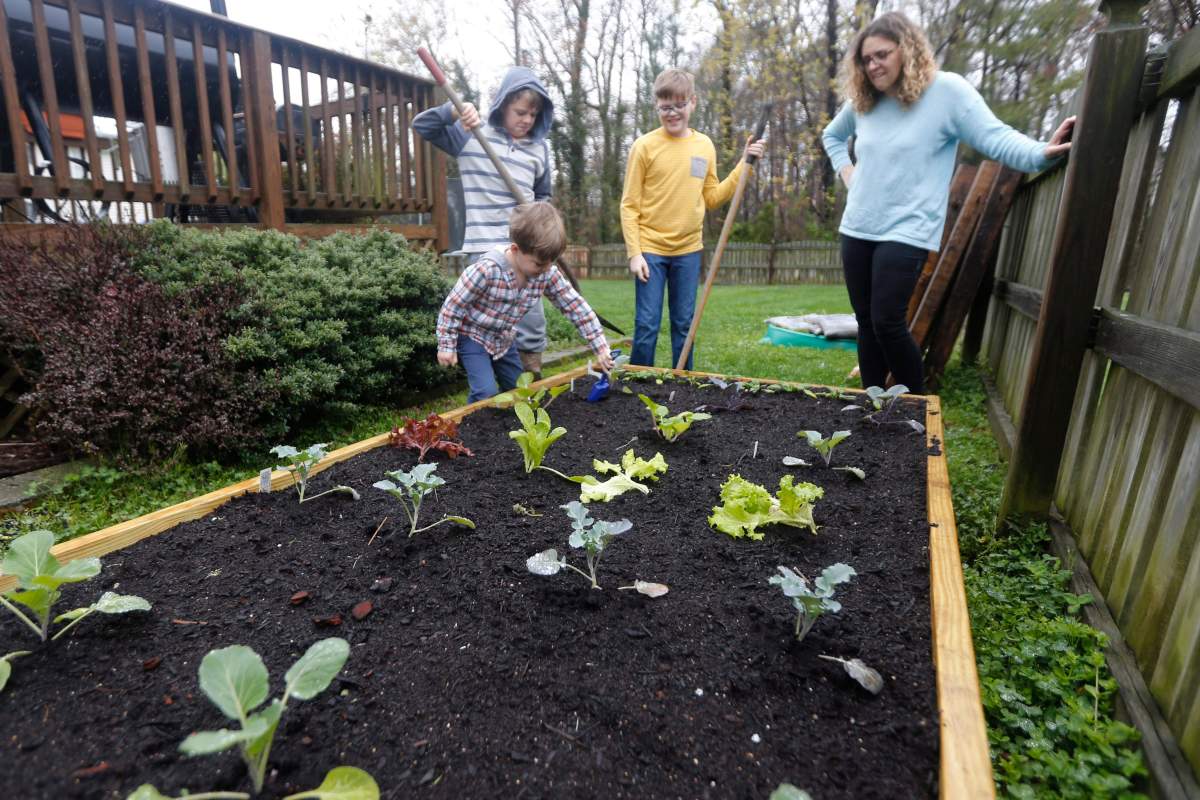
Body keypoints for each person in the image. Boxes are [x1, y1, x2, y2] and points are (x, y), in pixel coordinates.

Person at [822, 11, 1074, 394]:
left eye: (882, 55)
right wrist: (848, 173)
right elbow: (833, 136)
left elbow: (996, 137)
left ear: (907, 50)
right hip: (858, 226)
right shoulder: (864, 101)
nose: (873, 65)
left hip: (907, 229)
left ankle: (916, 410)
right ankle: (870, 408)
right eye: (866, 59)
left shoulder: (947, 93)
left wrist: (1041, 153)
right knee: (867, 322)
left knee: (888, 320)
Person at [414, 66, 554, 379]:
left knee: (531, 325)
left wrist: (542, 226)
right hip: (485, 251)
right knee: (485, 327)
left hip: (526, 250)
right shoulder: (470, 133)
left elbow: (543, 196)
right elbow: (422, 125)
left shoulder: (540, 149)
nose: (527, 120)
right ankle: (486, 395)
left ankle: (528, 386)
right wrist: (452, 111)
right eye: (520, 112)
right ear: (503, 104)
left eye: (534, 114)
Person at [620, 68, 765, 371]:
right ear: (657, 107)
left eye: (679, 105)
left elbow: (712, 197)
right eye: (665, 107)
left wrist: (744, 164)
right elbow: (630, 205)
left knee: (685, 326)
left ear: (693, 103)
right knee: (646, 326)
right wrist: (635, 253)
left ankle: (681, 387)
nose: (673, 113)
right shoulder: (644, 147)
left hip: (688, 250)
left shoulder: (704, 146)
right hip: (650, 250)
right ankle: (637, 385)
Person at [436, 202, 614, 403]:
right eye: (539, 263)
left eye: (550, 263)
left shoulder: (546, 273)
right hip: (473, 336)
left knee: (521, 390)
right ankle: (468, 428)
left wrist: (600, 347)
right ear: (515, 249)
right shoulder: (486, 270)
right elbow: (453, 307)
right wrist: (446, 345)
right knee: (485, 393)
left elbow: (575, 306)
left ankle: (514, 424)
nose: (546, 269)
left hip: (503, 339)